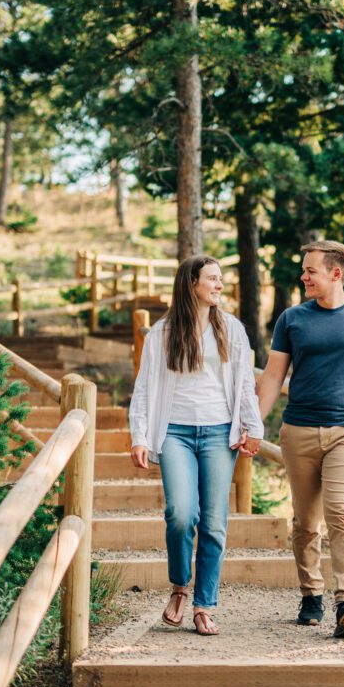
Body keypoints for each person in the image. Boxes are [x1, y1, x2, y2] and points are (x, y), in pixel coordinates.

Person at [256, 240, 344, 638]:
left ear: (336, 273)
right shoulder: (291, 319)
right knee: (305, 522)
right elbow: (272, 377)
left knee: (342, 513)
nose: (303, 277)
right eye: (304, 270)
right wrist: (253, 426)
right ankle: (311, 594)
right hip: (298, 430)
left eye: (310, 271)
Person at [129, 255, 263, 636]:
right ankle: (178, 587)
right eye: (213, 279)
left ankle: (204, 604)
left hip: (220, 433)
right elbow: (145, 388)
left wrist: (252, 427)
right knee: (181, 513)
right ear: (191, 284)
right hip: (175, 433)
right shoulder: (162, 333)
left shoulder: (232, 329)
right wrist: (139, 435)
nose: (219, 285)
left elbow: (242, 385)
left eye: (221, 279)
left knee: (215, 522)